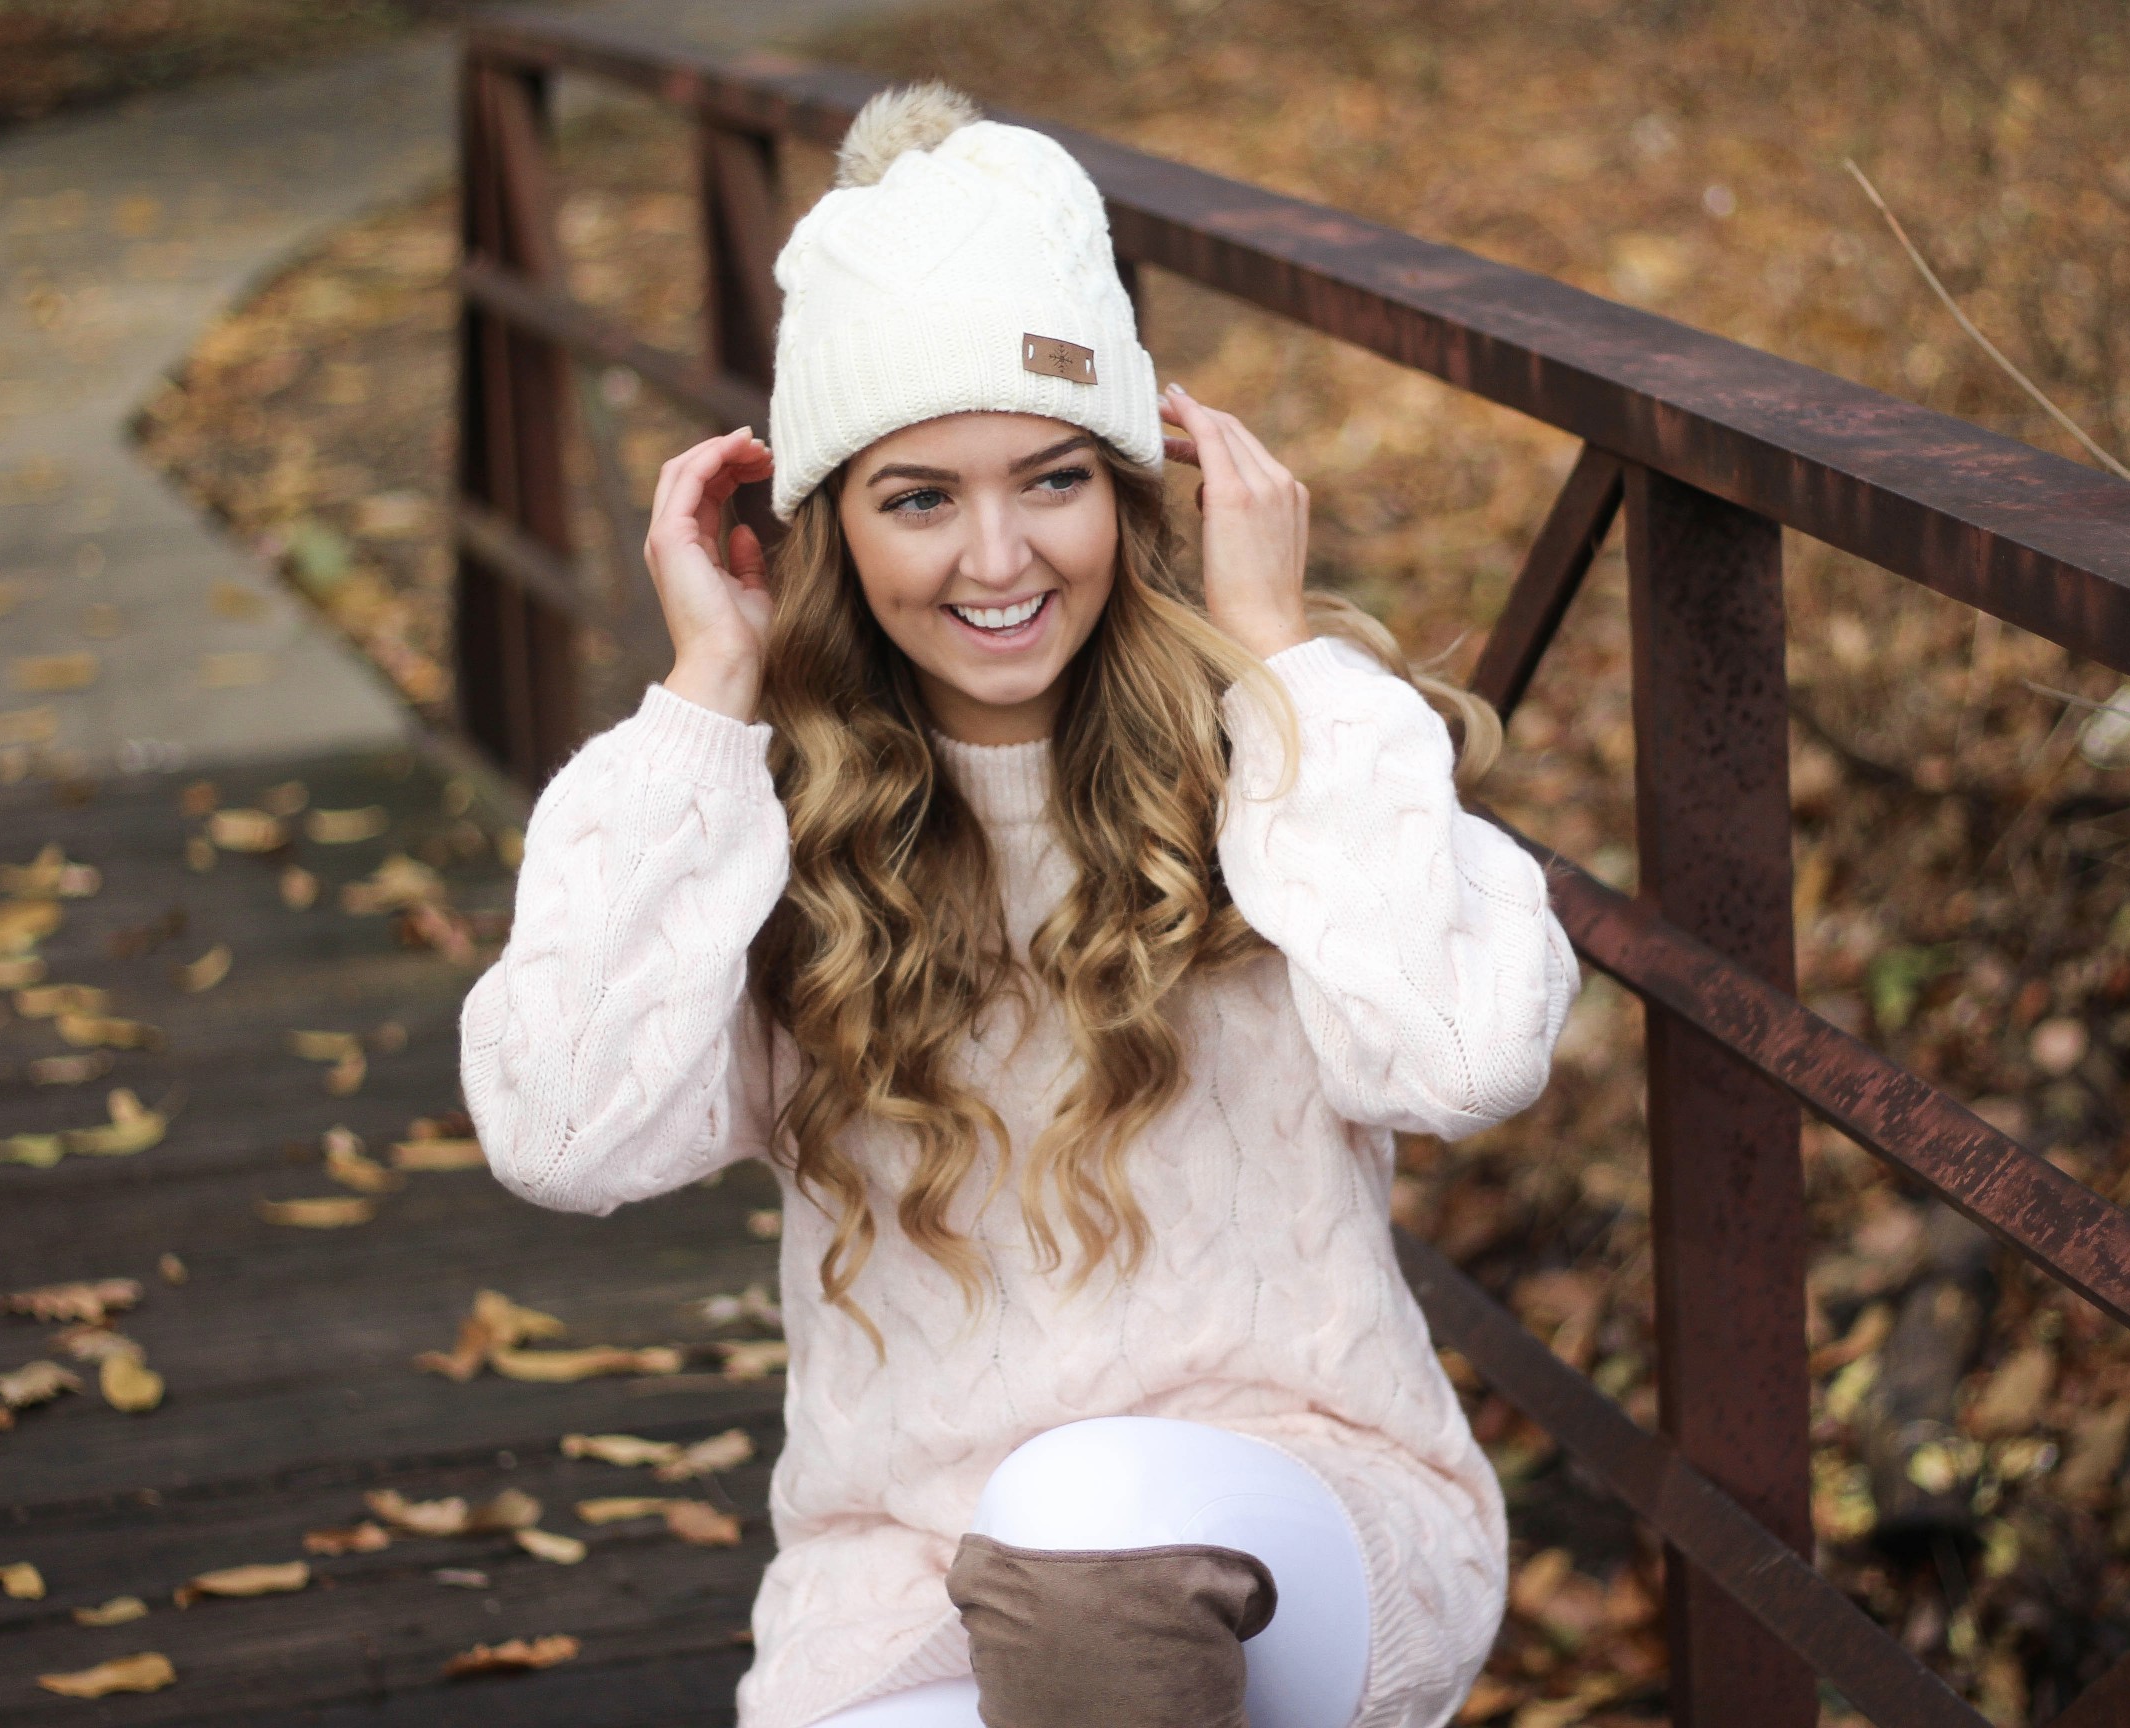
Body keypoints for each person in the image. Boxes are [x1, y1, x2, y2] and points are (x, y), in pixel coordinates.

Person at [460, 80, 1578, 1728]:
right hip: (904, 1569)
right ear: (828, 523)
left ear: (1134, 487)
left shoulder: (1274, 755)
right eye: (919, 497)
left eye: (1052, 479)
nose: (999, 558)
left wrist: (1280, 655)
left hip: (1298, 1519)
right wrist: (707, 686)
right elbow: (561, 1137)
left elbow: (1466, 1058)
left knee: (1085, 1522)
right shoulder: (754, 819)